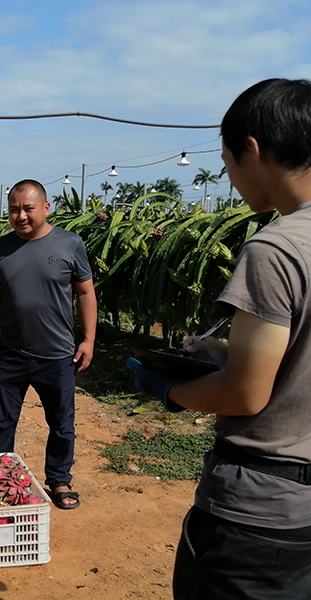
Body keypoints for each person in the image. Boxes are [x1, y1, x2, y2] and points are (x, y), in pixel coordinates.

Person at [127, 78, 311, 599]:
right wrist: (228, 353)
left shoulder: (276, 249)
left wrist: (168, 389)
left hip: (262, 513)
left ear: (252, 150)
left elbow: (244, 394)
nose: (229, 178)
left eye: (227, 161)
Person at [0, 179, 96, 509]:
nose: (21, 216)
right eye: (14, 210)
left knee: (61, 423)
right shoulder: (0, 248)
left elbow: (85, 292)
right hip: (10, 352)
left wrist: (89, 339)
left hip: (57, 355)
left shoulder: (70, 244)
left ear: (45, 208)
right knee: (2, 421)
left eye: (28, 208)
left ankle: (59, 479)